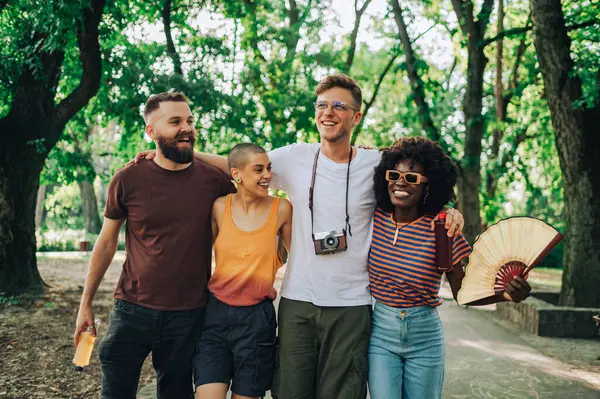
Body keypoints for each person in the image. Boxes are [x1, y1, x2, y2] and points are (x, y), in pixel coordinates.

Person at [134, 74, 465, 399]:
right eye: (322, 104)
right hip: (298, 301)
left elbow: (414, 187)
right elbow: (241, 168)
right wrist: (177, 156)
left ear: (356, 116)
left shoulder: (376, 164)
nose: (328, 112)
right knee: (290, 391)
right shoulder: (294, 156)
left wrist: (449, 211)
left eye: (339, 105)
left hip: (351, 305)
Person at [73, 92, 235, 399]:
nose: (186, 128)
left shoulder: (214, 182)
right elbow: (106, 243)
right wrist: (86, 303)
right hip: (132, 309)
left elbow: (248, 170)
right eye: (175, 122)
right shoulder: (127, 179)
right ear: (151, 131)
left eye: (189, 120)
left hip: (189, 314)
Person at [367, 136, 531, 399]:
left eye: (412, 178)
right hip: (381, 334)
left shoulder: (443, 228)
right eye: (394, 174)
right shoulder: (373, 218)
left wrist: (506, 294)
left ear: (429, 185)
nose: (400, 182)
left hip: (425, 337)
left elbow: (461, 292)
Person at [193, 143, 292, 399]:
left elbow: (300, 257)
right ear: (236, 174)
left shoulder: (281, 209)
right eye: (258, 169)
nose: (267, 175)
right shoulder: (218, 207)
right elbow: (199, 257)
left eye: (269, 169)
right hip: (215, 316)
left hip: (256, 321)